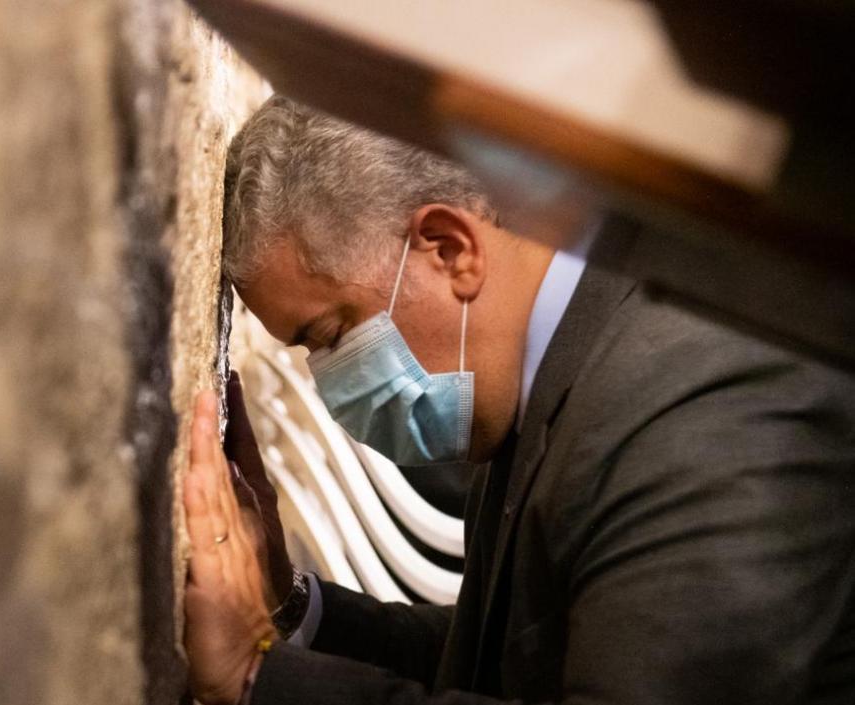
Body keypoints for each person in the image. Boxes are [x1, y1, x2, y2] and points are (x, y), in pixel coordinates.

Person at [181, 95, 855, 705]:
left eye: (331, 335)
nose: (331, 384)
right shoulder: (548, 360)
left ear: (449, 249)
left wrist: (255, 678)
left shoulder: (695, 410)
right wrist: (289, 607)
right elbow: (517, 653)